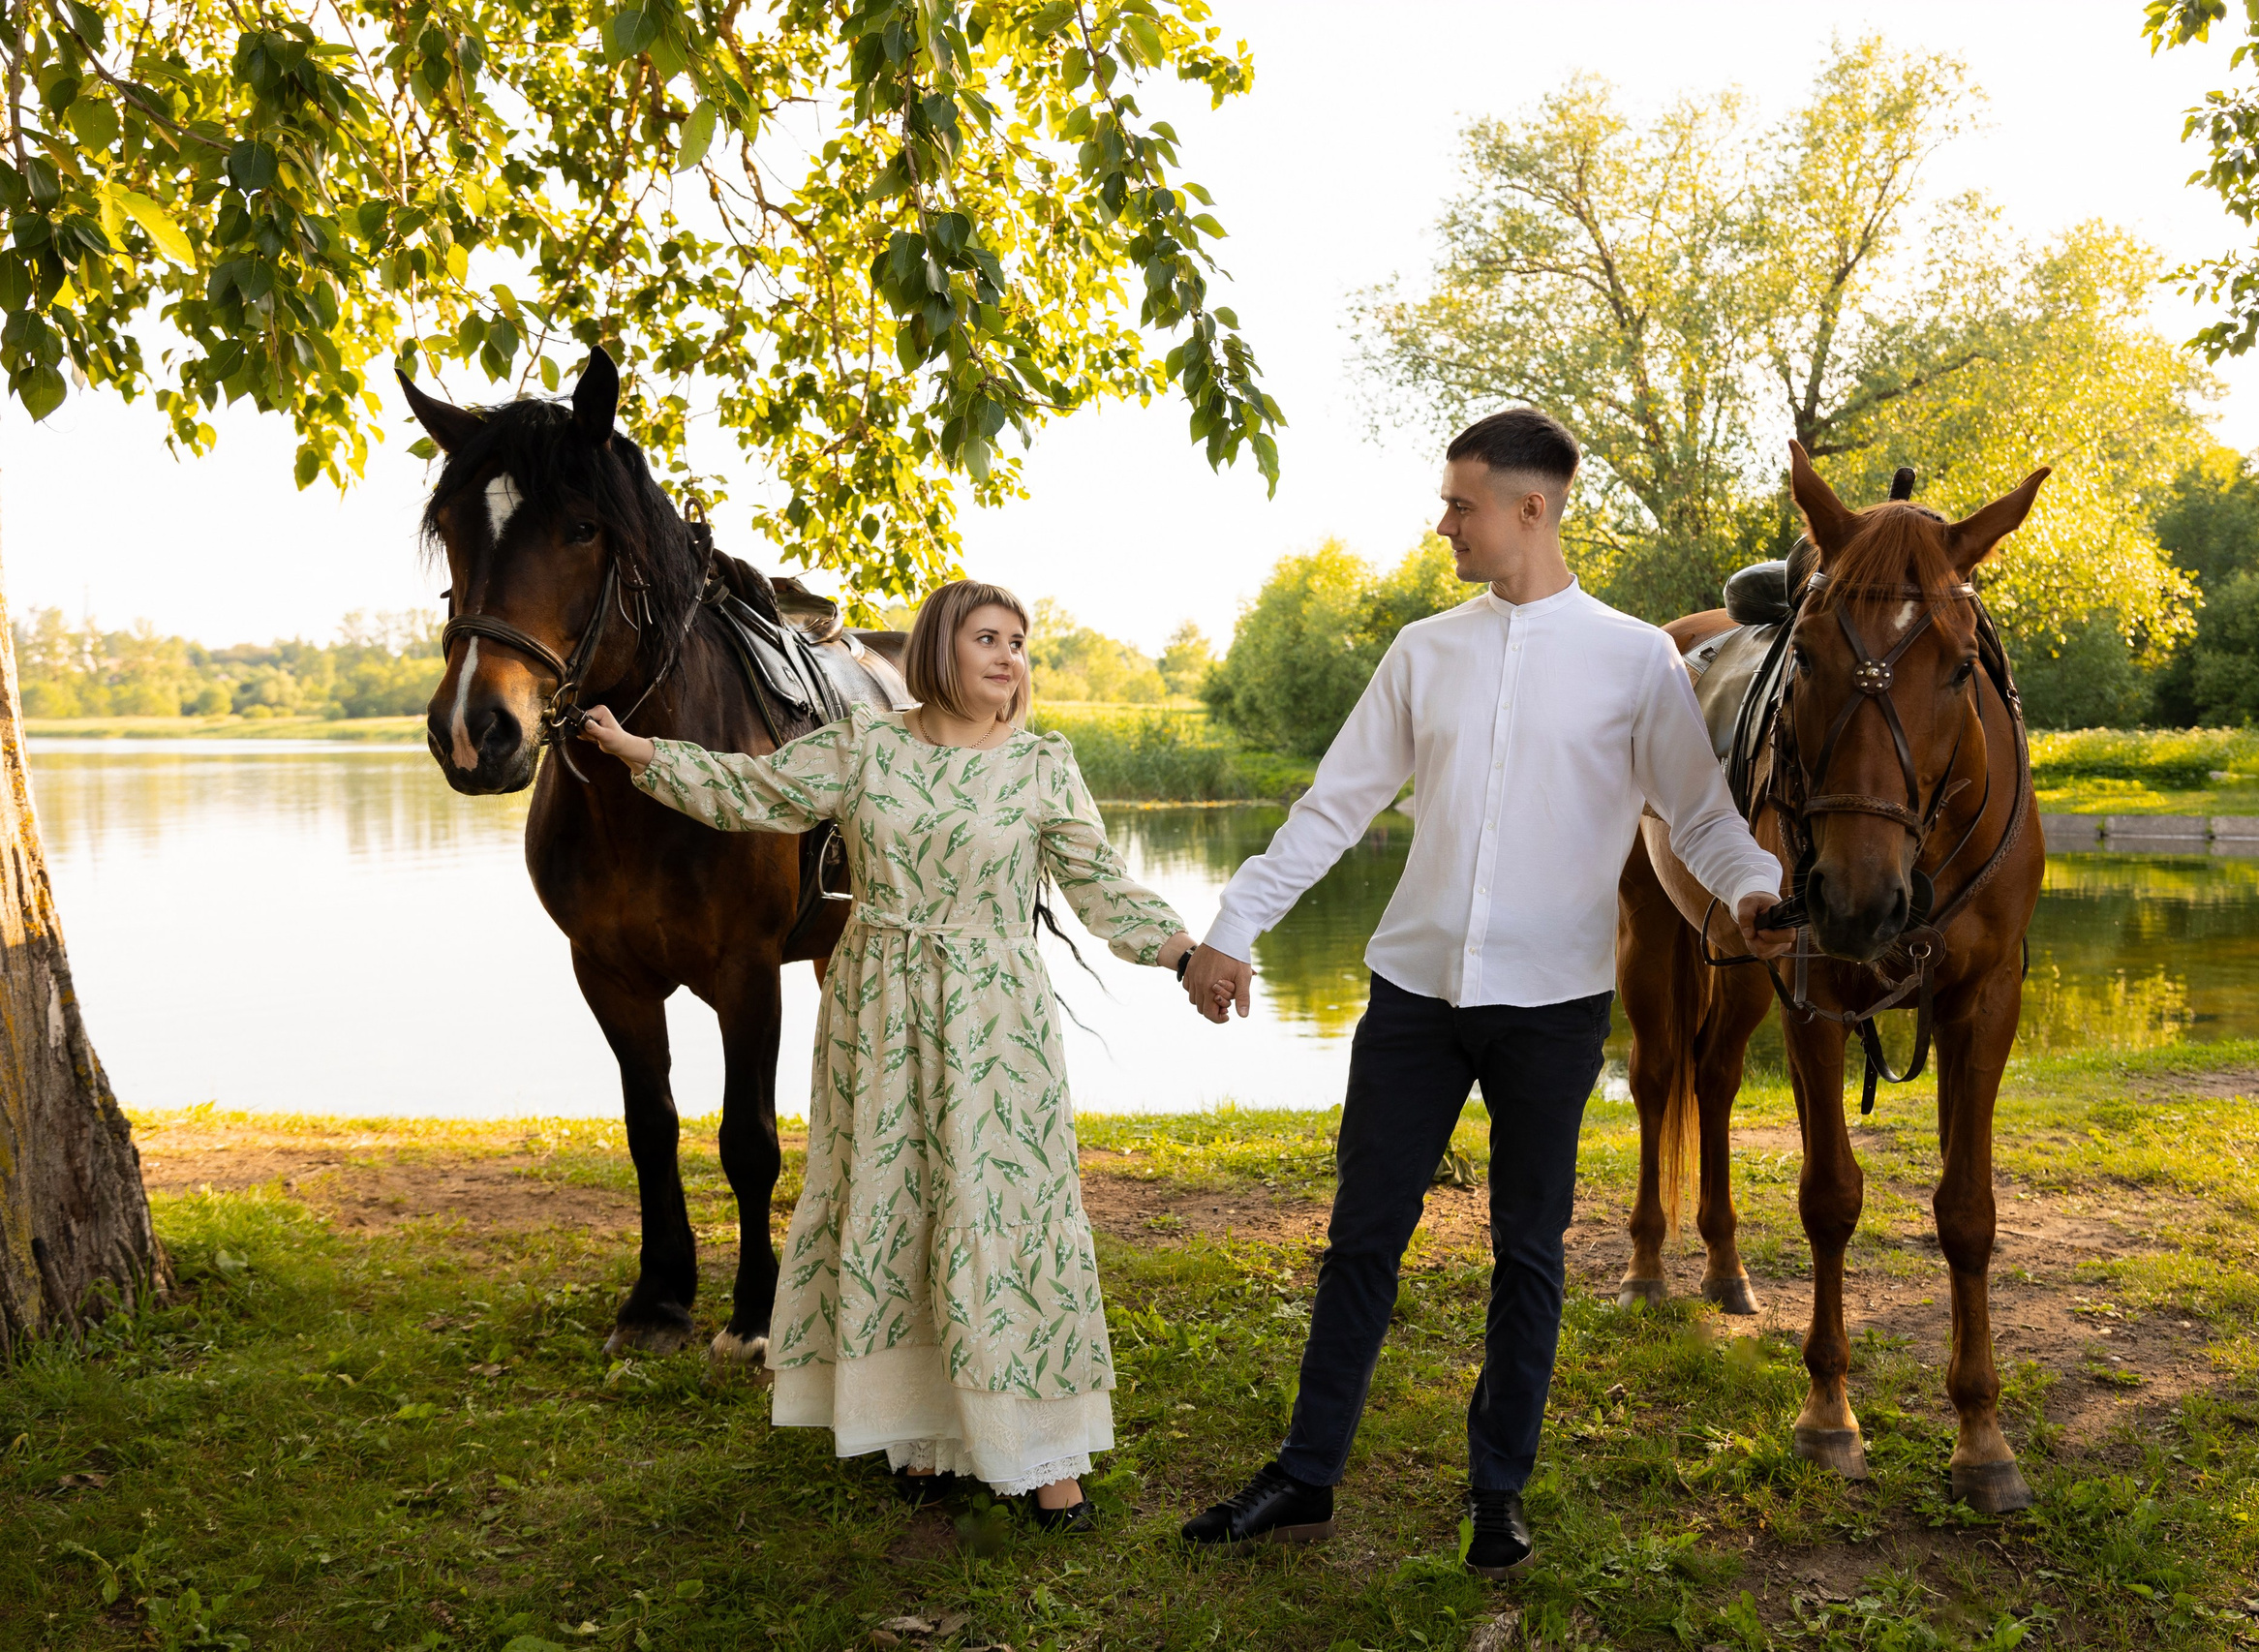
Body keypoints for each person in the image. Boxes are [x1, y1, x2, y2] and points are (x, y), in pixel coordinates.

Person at [1175, 408, 1792, 1577]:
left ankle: (1497, 1490)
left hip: (1553, 1006)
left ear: (1531, 507)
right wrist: (1232, 926)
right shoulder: (1423, 649)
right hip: (1412, 992)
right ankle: (1306, 1473)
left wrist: (1753, 889)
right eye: (1446, 500)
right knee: (1361, 1236)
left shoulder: (1631, 658)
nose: (1443, 522)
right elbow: (1332, 805)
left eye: (1460, 502)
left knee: (1529, 1250)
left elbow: (1697, 813)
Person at [576, 580, 1199, 1532]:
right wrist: (634, 751)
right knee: (897, 1206)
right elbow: (757, 790)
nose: (1008, 656)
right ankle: (919, 1432)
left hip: (996, 1016)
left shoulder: (1041, 763)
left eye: (1019, 641)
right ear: (940, 648)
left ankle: (1042, 1452)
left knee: (1007, 1216)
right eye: (986, 636)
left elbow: (1099, 887)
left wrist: (1185, 953)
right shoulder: (865, 746)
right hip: (880, 1002)